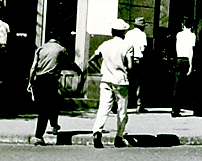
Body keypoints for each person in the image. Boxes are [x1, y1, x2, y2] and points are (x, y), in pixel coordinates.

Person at [87, 19, 133, 149]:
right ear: (124, 32)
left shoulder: (105, 44)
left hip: (106, 79)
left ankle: (97, 132)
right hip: (120, 80)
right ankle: (119, 136)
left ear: (112, 31)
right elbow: (130, 65)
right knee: (122, 110)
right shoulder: (127, 45)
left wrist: (101, 69)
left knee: (103, 108)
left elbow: (92, 59)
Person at [28, 38, 78, 145]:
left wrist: (30, 82)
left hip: (39, 79)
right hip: (51, 80)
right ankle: (39, 135)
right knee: (48, 106)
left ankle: (54, 125)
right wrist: (78, 70)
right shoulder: (61, 49)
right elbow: (69, 62)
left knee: (49, 104)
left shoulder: (41, 49)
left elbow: (33, 67)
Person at [123, 18, 148, 112]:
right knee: (139, 83)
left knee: (126, 82)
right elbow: (143, 49)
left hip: (128, 59)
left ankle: (123, 104)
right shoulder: (142, 35)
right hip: (138, 60)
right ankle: (139, 105)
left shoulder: (128, 33)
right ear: (142, 26)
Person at [172, 23, 195, 117]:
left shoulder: (179, 34)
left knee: (177, 85)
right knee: (187, 85)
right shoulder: (192, 35)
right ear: (192, 26)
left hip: (178, 59)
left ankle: (175, 109)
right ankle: (188, 105)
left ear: (183, 25)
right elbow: (191, 50)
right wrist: (191, 64)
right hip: (186, 60)